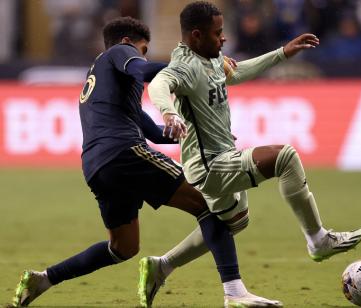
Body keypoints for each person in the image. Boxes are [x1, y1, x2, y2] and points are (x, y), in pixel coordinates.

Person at [11, 17, 279, 308]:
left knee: (123, 247)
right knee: (209, 202)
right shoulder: (118, 53)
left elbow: (153, 132)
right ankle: (235, 292)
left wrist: (200, 133)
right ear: (128, 42)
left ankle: (45, 278)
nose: (144, 56)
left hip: (97, 166)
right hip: (123, 152)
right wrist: (198, 67)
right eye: (143, 49)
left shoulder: (106, 83)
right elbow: (143, 69)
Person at [142, 2, 361, 307]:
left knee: (232, 223)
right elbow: (159, 83)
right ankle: (318, 239)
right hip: (212, 167)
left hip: (219, 157)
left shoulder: (210, 58)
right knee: (284, 157)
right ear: (196, 35)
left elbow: (234, 74)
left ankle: (162, 266)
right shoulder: (185, 66)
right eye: (217, 33)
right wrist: (169, 113)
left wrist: (282, 53)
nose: (223, 38)